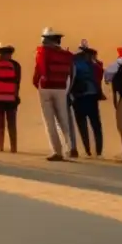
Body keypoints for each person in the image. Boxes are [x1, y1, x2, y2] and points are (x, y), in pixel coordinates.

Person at [33, 27, 76, 161]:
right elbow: (71, 73)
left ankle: (57, 151)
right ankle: (70, 147)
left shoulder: (42, 52)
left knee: (50, 121)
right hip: (61, 88)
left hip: (46, 88)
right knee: (63, 119)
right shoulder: (67, 55)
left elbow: (38, 70)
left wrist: (38, 84)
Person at [70, 39, 104, 158]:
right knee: (95, 124)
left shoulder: (74, 62)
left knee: (83, 124)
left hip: (80, 97)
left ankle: (89, 150)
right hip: (91, 96)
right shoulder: (94, 64)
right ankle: (96, 150)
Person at [0, 42, 21, 153]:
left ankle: (0, 148)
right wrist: (16, 98)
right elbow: (17, 83)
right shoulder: (16, 65)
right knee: (12, 124)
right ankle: (14, 148)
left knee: (1, 124)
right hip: (11, 99)